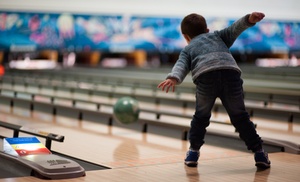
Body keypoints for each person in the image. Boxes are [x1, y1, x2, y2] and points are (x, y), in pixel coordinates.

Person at [157, 12, 271, 169]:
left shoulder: (188, 48)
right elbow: (235, 28)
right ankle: (259, 153)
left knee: (201, 117)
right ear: (207, 30)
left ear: (185, 36)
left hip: (206, 78)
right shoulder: (218, 36)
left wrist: (173, 78)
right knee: (240, 117)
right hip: (230, 74)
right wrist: (249, 19)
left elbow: (181, 65)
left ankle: (193, 152)